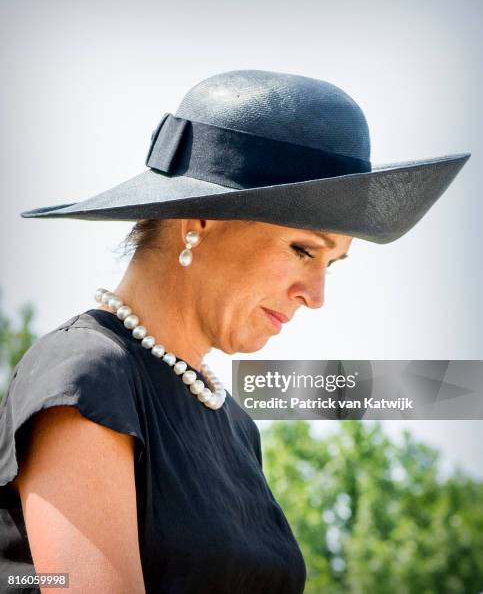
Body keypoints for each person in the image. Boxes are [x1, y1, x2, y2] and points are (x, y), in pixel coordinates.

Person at [0, 69, 470, 593]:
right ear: (199, 219)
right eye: (303, 251)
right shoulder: (87, 378)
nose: (316, 297)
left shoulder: (234, 423)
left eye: (331, 265)